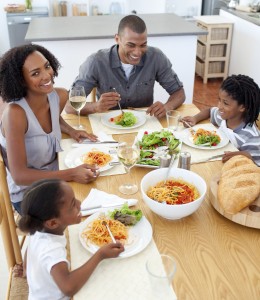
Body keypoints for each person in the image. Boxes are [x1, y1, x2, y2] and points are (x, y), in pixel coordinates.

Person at [0, 44, 99, 214]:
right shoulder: (15, 114)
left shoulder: (58, 96)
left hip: (56, 176)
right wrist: (71, 174)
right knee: (81, 214)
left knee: (100, 197)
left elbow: (52, 117)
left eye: (47, 66)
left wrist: (71, 130)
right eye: (35, 73)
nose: (47, 75)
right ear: (20, 80)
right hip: (28, 193)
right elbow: (19, 176)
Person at [18, 179, 124, 299]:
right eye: (73, 204)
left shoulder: (37, 228)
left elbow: (29, 250)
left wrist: (28, 268)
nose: (79, 204)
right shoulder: (51, 250)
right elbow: (69, 287)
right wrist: (100, 255)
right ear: (53, 223)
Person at [65, 14, 185, 119]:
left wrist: (167, 106)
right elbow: (69, 106)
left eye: (143, 45)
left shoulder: (156, 57)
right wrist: (96, 106)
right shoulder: (96, 62)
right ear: (117, 39)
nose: (137, 52)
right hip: (107, 126)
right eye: (131, 45)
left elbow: (179, 93)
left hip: (145, 126)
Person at [182, 74, 260, 166]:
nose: (219, 107)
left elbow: (256, 163)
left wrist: (240, 155)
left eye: (225, 103)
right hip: (213, 162)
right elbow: (210, 111)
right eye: (219, 100)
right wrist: (195, 118)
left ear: (242, 107)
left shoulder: (251, 136)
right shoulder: (223, 116)